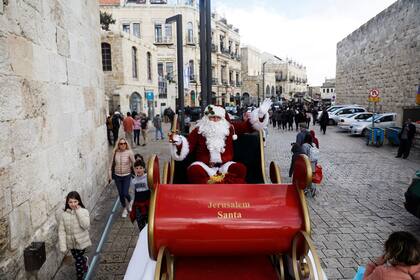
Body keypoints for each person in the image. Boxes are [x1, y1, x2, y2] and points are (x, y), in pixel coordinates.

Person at [169, 99, 272, 184]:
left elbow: (248, 126)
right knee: (194, 171)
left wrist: (260, 115)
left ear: (222, 119)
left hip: (224, 166)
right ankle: (211, 187)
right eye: (212, 117)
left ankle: (223, 189)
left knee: (240, 169)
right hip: (205, 166)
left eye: (217, 118)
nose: (214, 120)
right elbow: (188, 145)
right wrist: (178, 142)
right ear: (206, 118)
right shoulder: (199, 130)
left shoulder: (230, 128)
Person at [58, 191, 91, 280]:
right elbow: (61, 231)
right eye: (70, 202)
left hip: (81, 242)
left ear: (79, 201)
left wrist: (78, 212)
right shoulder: (64, 215)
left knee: (78, 262)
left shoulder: (84, 211)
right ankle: (85, 260)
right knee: (78, 259)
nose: (73, 204)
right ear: (67, 203)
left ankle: (79, 277)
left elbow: (86, 225)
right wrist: (63, 246)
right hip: (71, 244)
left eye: (75, 201)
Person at [109, 137, 135, 218]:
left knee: (125, 193)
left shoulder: (129, 152)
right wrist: (109, 175)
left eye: (124, 143)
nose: (123, 145)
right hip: (117, 176)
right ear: (118, 145)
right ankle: (124, 208)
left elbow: (134, 163)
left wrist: (137, 174)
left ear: (126, 144)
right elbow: (110, 164)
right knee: (120, 194)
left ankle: (130, 201)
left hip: (127, 175)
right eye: (121, 144)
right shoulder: (115, 152)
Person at [129, 160, 150, 231]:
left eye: (141, 168)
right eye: (137, 168)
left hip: (148, 204)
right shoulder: (133, 181)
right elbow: (133, 193)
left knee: (149, 224)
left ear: (144, 169)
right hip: (138, 205)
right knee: (140, 224)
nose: (139, 170)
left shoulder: (148, 178)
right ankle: (142, 237)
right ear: (134, 169)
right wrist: (132, 204)